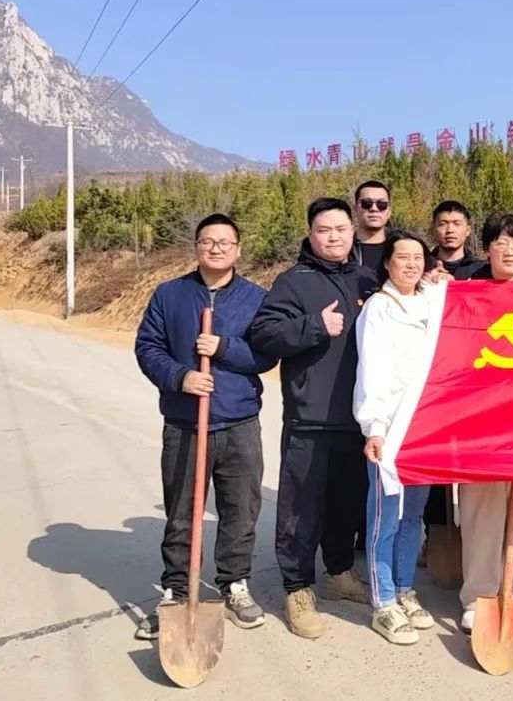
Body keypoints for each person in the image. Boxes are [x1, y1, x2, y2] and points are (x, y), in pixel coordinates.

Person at [134, 214, 276, 639]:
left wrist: (224, 347)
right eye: (207, 241)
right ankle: (177, 592)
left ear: (238, 249)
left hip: (239, 422)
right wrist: (182, 378)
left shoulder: (256, 298)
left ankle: (234, 583)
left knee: (241, 508)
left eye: (225, 242)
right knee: (181, 511)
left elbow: (267, 356)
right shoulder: (169, 294)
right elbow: (148, 347)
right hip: (185, 423)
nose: (216, 248)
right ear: (196, 246)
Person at [248, 198, 372, 639]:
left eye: (341, 228)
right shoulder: (293, 282)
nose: (333, 237)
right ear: (310, 234)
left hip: (358, 417)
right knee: (301, 507)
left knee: (346, 505)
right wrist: (314, 326)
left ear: (353, 231)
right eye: (324, 230)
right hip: (312, 417)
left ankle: (338, 573)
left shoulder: (367, 279)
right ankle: (297, 588)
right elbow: (263, 333)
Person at [458, 213, 513, 634]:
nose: (509, 250)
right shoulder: (465, 295)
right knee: (480, 511)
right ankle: (477, 595)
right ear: (486, 247)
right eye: (501, 242)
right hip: (479, 421)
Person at [354, 229, 437, 645]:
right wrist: (374, 426)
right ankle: (383, 601)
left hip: (425, 427)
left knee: (412, 516)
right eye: (402, 257)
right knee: (385, 517)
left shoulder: (431, 302)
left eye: (418, 257)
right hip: (390, 427)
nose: (411, 264)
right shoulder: (379, 308)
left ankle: (405, 589)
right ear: (387, 263)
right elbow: (371, 369)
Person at [430, 200, 484, 279]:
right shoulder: (421, 268)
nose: (450, 230)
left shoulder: (482, 270)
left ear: (468, 230)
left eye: (457, 224)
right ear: (433, 229)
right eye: (442, 224)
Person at [352, 180, 392, 281]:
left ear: (389, 212)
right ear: (355, 209)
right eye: (367, 203)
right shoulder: (342, 250)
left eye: (381, 204)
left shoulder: (399, 248)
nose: (374, 209)